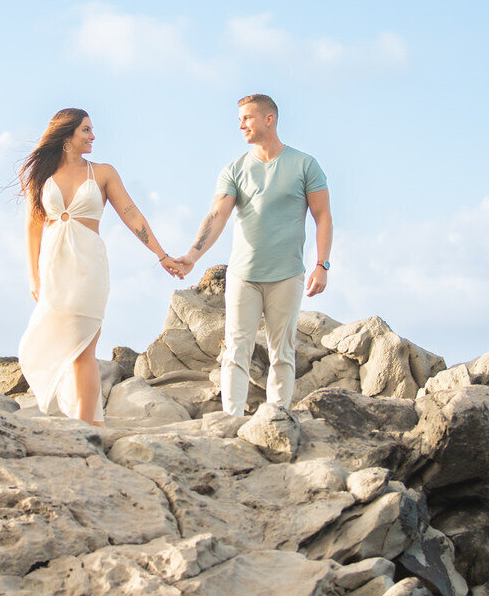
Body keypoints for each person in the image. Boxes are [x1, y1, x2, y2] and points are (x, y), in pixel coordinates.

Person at [18, 108, 182, 427]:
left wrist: (161, 255)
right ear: (67, 136)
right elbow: (32, 229)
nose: (93, 136)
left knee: (84, 347)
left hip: (89, 267)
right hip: (54, 268)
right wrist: (33, 275)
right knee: (39, 340)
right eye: (86, 130)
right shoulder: (40, 176)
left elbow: (132, 215)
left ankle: (89, 423)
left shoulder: (103, 173)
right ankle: (81, 417)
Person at [174, 94, 332, 416]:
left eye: (247, 118)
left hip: (287, 274)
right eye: (240, 120)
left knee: (282, 353)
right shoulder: (235, 169)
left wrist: (322, 265)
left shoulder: (305, 165)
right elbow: (217, 214)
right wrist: (193, 254)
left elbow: (323, 216)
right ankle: (232, 419)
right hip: (243, 276)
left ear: (269, 119)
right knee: (235, 350)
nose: (241, 125)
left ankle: (277, 418)